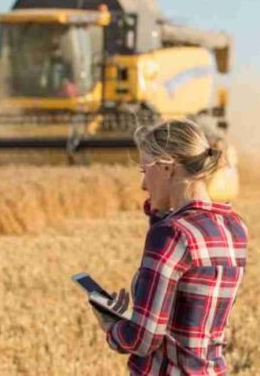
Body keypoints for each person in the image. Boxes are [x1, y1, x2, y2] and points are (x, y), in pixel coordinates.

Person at [91, 119, 248, 375]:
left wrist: (112, 327)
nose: (143, 185)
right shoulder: (235, 228)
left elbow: (143, 338)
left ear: (167, 167)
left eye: (144, 171)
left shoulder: (171, 235)